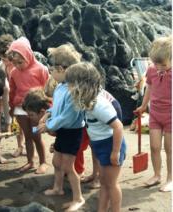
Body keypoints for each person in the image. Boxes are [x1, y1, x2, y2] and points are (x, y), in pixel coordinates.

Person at [65, 62, 126, 212]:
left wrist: (115, 152)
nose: (68, 88)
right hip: (100, 144)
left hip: (111, 144)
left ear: (81, 85)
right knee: (104, 182)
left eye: (70, 84)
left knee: (111, 184)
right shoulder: (86, 100)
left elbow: (118, 126)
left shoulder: (99, 104)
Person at [36, 59, 85, 211]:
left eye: (53, 69)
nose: (50, 72)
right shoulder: (59, 87)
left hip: (72, 131)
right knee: (57, 162)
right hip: (62, 130)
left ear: (63, 69)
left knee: (68, 167)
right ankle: (58, 188)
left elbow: (67, 117)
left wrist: (48, 126)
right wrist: (47, 115)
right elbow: (56, 108)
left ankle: (78, 198)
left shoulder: (74, 91)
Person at [134, 36, 172, 192]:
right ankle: (157, 175)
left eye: (162, 64)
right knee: (154, 146)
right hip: (155, 114)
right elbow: (148, 87)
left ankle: (170, 178)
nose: (158, 67)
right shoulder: (151, 69)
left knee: (169, 148)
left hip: (171, 116)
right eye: (155, 63)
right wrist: (143, 106)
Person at [7, 37, 49, 174]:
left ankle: (43, 162)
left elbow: (48, 89)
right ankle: (30, 161)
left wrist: (48, 108)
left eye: (21, 62)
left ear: (28, 55)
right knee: (27, 135)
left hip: (36, 108)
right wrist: (11, 107)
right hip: (20, 107)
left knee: (36, 135)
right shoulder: (13, 72)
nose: (18, 66)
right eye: (15, 63)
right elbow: (12, 91)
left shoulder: (41, 69)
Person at [0, 34, 25, 158]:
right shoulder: (1, 67)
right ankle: (20, 145)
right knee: (15, 123)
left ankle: (23, 145)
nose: (6, 61)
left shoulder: (18, 66)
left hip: (19, 97)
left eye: (7, 58)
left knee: (22, 122)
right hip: (8, 98)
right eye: (2, 58)